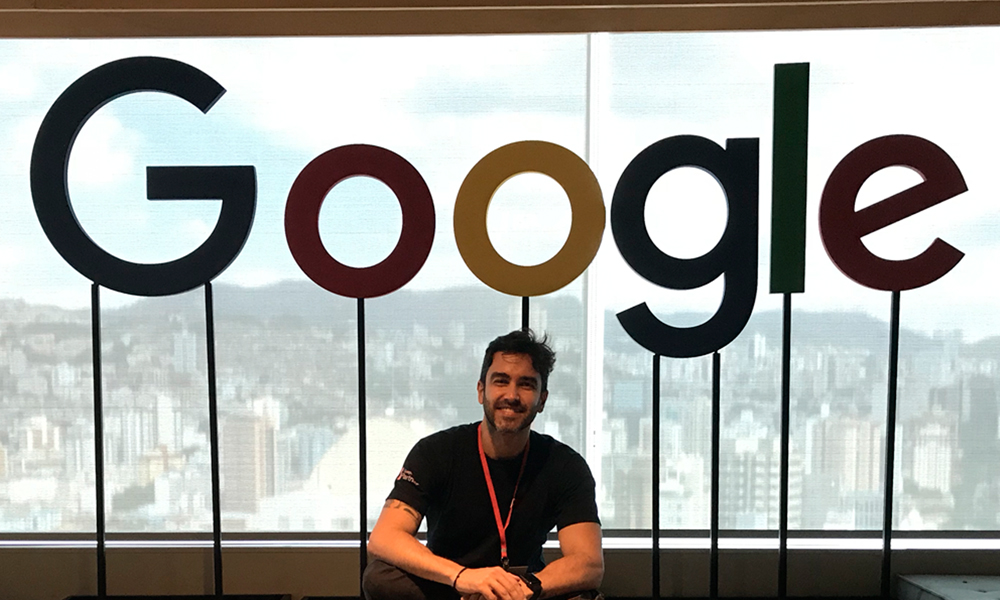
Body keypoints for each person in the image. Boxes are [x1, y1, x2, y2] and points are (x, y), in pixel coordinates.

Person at [364, 329, 604, 600]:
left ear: (542, 400)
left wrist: (522, 590)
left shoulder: (564, 465)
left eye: (526, 385)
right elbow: (384, 537)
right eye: (501, 381)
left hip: (522, 592)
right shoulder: (436, 451)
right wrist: (463, 577)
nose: (512, 395)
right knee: (379, 577)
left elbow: (589, 563)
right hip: (450, 587)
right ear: (481, 391)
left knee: (585, 595)